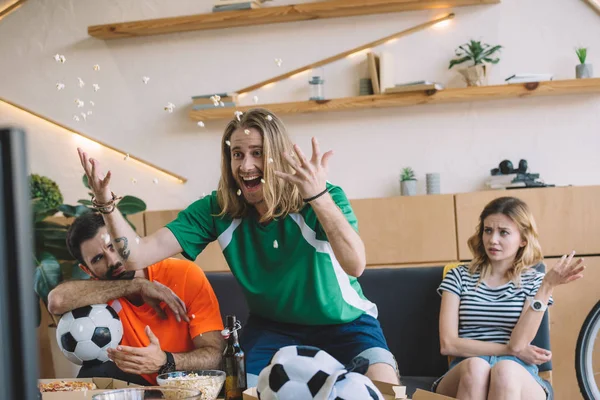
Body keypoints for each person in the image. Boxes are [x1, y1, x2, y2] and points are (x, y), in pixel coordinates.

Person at [76, 108, 399, 387]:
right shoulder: (218, 209)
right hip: (274, 328)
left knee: (384, 386)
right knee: (242, 390)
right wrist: (107, 205)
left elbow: (355, 265)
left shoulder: (321, 197)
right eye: (237, 154)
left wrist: (317, 196)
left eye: (257, 153)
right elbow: (139, 253)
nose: (246, 166)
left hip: (347, 322)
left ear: (278, 155)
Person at [433, 196, 585, 400]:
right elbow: (448, 344)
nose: (492, 240)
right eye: (488, 230)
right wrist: (511, 350)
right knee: (477, 367)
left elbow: (518, 343)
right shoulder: (458, 276)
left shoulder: (536, 282)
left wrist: (547, 286)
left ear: (523, 239)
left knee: (505, 371)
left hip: (518, 373)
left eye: (503, 232)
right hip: (465, 369)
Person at [47, 212, 224, 385]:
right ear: (87, 270)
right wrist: (137, 285)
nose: (113, 261)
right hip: (132, 386)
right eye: (98, 258)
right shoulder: (96, 292)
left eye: (113, 246)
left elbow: (215, 356)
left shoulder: (185, 274)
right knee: (92, 374)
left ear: (130, 238)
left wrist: (165, 361)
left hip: (185, 384)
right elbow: (56, 301)